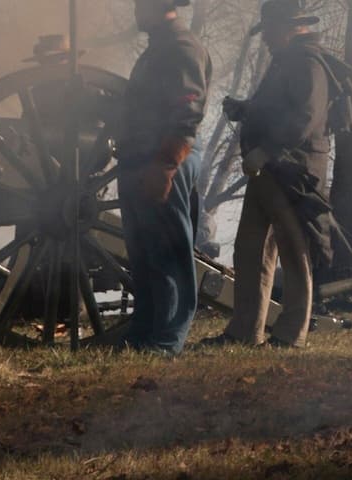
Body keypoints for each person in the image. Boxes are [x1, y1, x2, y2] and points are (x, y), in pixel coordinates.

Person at [208, 0, 346, 348]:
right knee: (250, 250)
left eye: (270, 30)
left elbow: (304, 117)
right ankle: (244, 331)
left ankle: (290, 335)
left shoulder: (307, 64)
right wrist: (246, 109)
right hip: (268, 170)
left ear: (290, 27)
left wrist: (266, 150)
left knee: (293, 251)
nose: (266, 37)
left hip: (293, 172)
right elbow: (275, 109)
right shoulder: (287, 61)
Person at [116, 0, 211, 354]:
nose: (137, 10)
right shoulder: (159, 50)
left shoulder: (182, 48)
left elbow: (187, 112)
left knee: (169, 252)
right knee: (143, 253)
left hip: (164, 159)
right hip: (141, 159)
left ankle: (168, 339)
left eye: (142, 4)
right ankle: (144, 332)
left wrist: (166, 165)